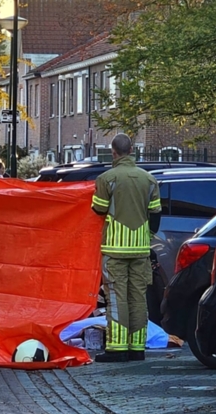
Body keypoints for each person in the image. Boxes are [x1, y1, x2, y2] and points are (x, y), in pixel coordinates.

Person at [91, 133, 161, 362]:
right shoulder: (149, 180)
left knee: (116, 298)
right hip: (140, 250)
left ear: (113, 152)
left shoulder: (107, 179)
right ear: (132, 150)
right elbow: (156, 215)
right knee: (139, 298)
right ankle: (137, 348)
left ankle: (117, 348)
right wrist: (145, 236)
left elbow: (99, 210)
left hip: (114, 250)